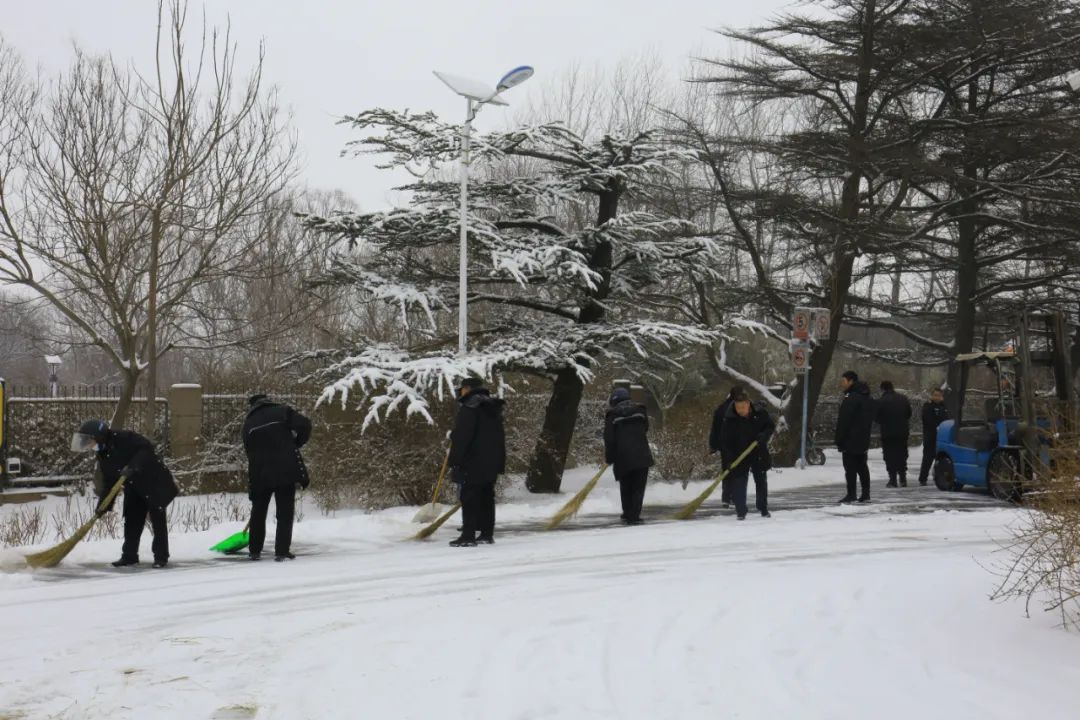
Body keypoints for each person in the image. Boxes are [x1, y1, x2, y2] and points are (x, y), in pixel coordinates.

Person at [71, 419, 178, 568]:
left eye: (90, 442)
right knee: (132, 520)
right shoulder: (103, 454)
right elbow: (109, 482)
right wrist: (103, 505)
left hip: (154, 482)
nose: (89, 446)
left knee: (157, 520)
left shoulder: (123, 438)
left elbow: (146, 448)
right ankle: (129, 556)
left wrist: (133, 466)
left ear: (99, 437)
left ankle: (161, 557)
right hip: (133, 486)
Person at [242, 394, 312, 561]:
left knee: (258, 511)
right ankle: (281, 551)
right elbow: (305, 425)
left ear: (253, 406)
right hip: (285, 469)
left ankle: (254, 551)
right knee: (285, 511)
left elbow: (248, 450)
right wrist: (297, 442)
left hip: (260, 472)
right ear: (267, 401)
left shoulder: (248, 423)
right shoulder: (282, 412)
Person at [448, 378, 506, 547]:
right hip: (492, 461)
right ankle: (487, 534)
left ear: (468, 389)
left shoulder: (470, 408)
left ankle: (468, 536)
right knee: (487, 497)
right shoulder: (493, 407)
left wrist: (455, 460)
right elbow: (498, 437)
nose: (461, 392)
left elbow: (463, 437)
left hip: (472, 461)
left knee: (469, 498)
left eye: (462, 389)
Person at [719, 390, 776, 520]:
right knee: (738, 483)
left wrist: (764, 435)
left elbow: (770, 426)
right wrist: (728, 459)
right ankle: (741, 512)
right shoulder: (730, 419)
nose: (740, 410)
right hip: (738, 455)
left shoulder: (760, 413)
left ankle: (763, 508)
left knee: (761, 481)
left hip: (758, 452)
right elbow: (725, 441)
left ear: (748, 403)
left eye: (743, 407)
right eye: (738, 407)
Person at [604, 387, 654, 525]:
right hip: (642, 455)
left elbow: (609, 439)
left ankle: (627, 514)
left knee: (626, 487)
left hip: (623, 458)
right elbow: (645, 428)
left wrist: (609, 458)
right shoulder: (640, 411)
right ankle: (634, 515)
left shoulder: (612, 416)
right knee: (638, 488)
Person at [834, 371, 875, 504]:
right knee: (862, 466)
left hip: (850, 439)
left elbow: (844, 421)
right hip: (863, 438)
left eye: (844, 380)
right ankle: (866, 493)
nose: (842, 383)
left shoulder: (850, 398)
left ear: (851, 381)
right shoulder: (867, 397)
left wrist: (839, 439)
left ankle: (851, 494)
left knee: (850, 468)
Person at [708, 385, 743, 507]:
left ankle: (726, 497)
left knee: (727, 470)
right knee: (737, 471)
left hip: (724, 445)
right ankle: (733, 497)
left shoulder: (721, 408)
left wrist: (713, 445)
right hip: (737, 445)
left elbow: (715, 428)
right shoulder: (740, 408)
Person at [876, 381, 912, 488]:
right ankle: (903, 478)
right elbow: (908, 413)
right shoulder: (903, 399)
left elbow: (877, 417)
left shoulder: (880, 401)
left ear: (882, 389)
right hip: (902, 432)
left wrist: (885, 422)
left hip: (888, 433)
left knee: (890, 456)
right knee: (901, 454)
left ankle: (892, 479)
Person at [918, 388, 951, 486]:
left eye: (939, 395)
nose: (937, 397)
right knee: (927, 458)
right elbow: (927, 420)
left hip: (942, 437)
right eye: (935, 395)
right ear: (932, 396)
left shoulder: (944, 406)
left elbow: (947, 419)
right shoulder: (927, 406)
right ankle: (923, 478)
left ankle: (941, 478)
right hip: (930, 436)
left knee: (942, 458)